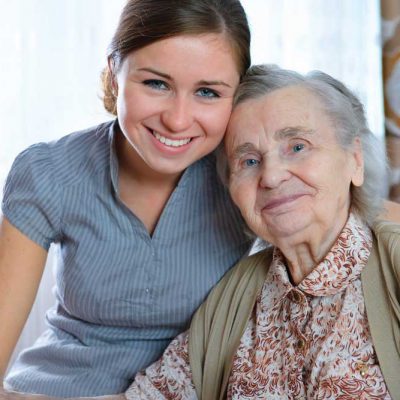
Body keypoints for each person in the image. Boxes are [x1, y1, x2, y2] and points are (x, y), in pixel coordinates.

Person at [0, 0, 253, 396]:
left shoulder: (249, 173)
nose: (178, 119)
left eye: (207, 92)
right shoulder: (47, 170)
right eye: (156, 83)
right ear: (115, 74)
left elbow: (355, 212)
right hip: (58, 390)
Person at [118, 65, 400, 399]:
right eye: (249, 161)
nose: (272, 176)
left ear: (355, 160)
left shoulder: (392, 266)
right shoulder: (233, 297)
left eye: (297, 146)